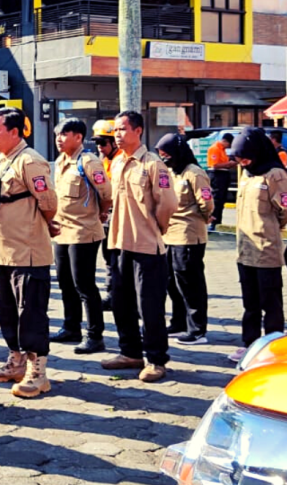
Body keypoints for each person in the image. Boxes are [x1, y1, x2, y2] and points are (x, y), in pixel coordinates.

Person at [0, 107, 58, 399]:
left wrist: (42, 224)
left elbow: (48, 201)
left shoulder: (30, 160)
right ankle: (16, 361)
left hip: (26, 251)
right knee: (8, 311)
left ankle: (38, 373)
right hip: (3, 252)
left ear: (15, 132)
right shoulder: (3, 160)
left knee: (31, 313)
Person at [102, 111, 178, 382]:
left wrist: (156, 229)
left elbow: (168, 204)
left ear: (138, 131)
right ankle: (130, 352)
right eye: (115, 130)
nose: (117, 135)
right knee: (121, 303)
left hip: (146, 246)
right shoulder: (118, 162)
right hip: (119, 243)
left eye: (123, 129)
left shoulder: (153, 164)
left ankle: (156, 359)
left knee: (150, 307)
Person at [229, 127, 287, 362]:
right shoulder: (247, 174)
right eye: (239, 159)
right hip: (245, 249)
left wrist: (272, 226)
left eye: (246, 157)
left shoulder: (275, 175)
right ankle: (249, 344)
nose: (243, 162)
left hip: (266, 248)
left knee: (270, 301)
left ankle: (272, 344)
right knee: (250, 303)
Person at [50, 119, 112, 355]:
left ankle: (95, 336)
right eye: (57, 134)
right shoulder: (61, 161)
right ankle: (71, 327)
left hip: (84, 231)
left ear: (78, 137)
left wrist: (101, 212)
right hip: (62, 231)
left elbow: (106, 193)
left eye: (64, 134)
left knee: (84, 285)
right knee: (65, 283)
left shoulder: (89, 161)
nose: (59, 139)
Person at [155, 133, 214, 346]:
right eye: (161, 155)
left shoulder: (194, 173)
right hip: (168, 234)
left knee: (190, 283)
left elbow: (206, 203)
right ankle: (178, 322)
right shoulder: (170, 172)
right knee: (172, 282)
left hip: (188, 235)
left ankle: (197, 329)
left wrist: (204, 218)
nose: (164, 158)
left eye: (167, 154)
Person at [92, 119, 123, 312]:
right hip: (106, 217)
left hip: (121, 217)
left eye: (103, 142)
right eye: (97, 143)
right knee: (109, 258)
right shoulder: (103, 161)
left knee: (119, 259)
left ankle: (125, 299)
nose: (100, 147)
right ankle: (112, 295)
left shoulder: (122, 160)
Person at [206, 133, 236, 231]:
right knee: (216, 199)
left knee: (222, 199)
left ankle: (218, 221)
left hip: (223, 174)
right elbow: (215, 165)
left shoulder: (222, 150)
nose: (229, 147)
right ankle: (212, 221)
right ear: (225, 141)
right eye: (229, 144)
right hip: (217, 175)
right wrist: (229, 163)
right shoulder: (215, 148)